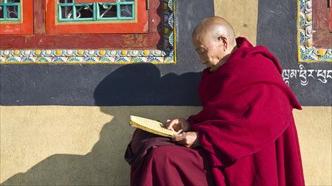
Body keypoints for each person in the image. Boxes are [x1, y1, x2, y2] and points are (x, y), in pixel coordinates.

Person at [125, 16, 305, 186]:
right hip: (219, 147)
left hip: (246, 160)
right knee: (145, 141)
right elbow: (220, 115)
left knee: (162, 158)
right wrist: (189, 124)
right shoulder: (217, 74)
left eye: (202, 51)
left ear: (223, 42)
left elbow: (255, 125)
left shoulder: (258, 69)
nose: (200, 59)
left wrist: (202, 138)